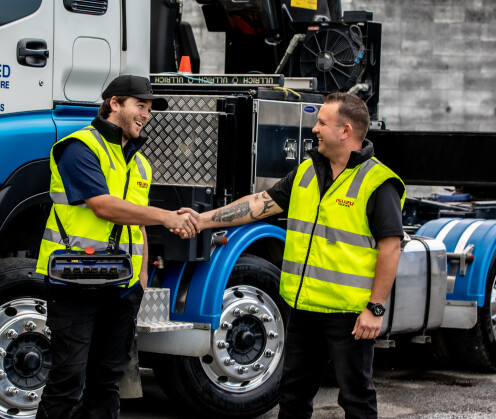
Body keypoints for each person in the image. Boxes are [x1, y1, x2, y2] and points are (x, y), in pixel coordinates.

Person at [180, 92, 405, 418]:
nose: (314, 129)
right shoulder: (306, 172)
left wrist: (375, 308)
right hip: (303, 309)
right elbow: (259, 204)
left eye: (322, 123)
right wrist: (202, 220)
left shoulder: (378, 182)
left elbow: (391, 247)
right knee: (293, 394)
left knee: (356, 399)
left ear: (345, 131)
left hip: (348, 315)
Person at [35, 75, 199, 419]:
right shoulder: (78, 147)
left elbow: (136, 222)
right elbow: (103, 206)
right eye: (140, 105)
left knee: (108, 380)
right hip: (73, 280)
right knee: (67, 381)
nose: (146, 115)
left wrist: (142, 277)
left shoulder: (139, 163)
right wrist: (167, 216)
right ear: (114, 103)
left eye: (149, 108)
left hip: (122, 287)